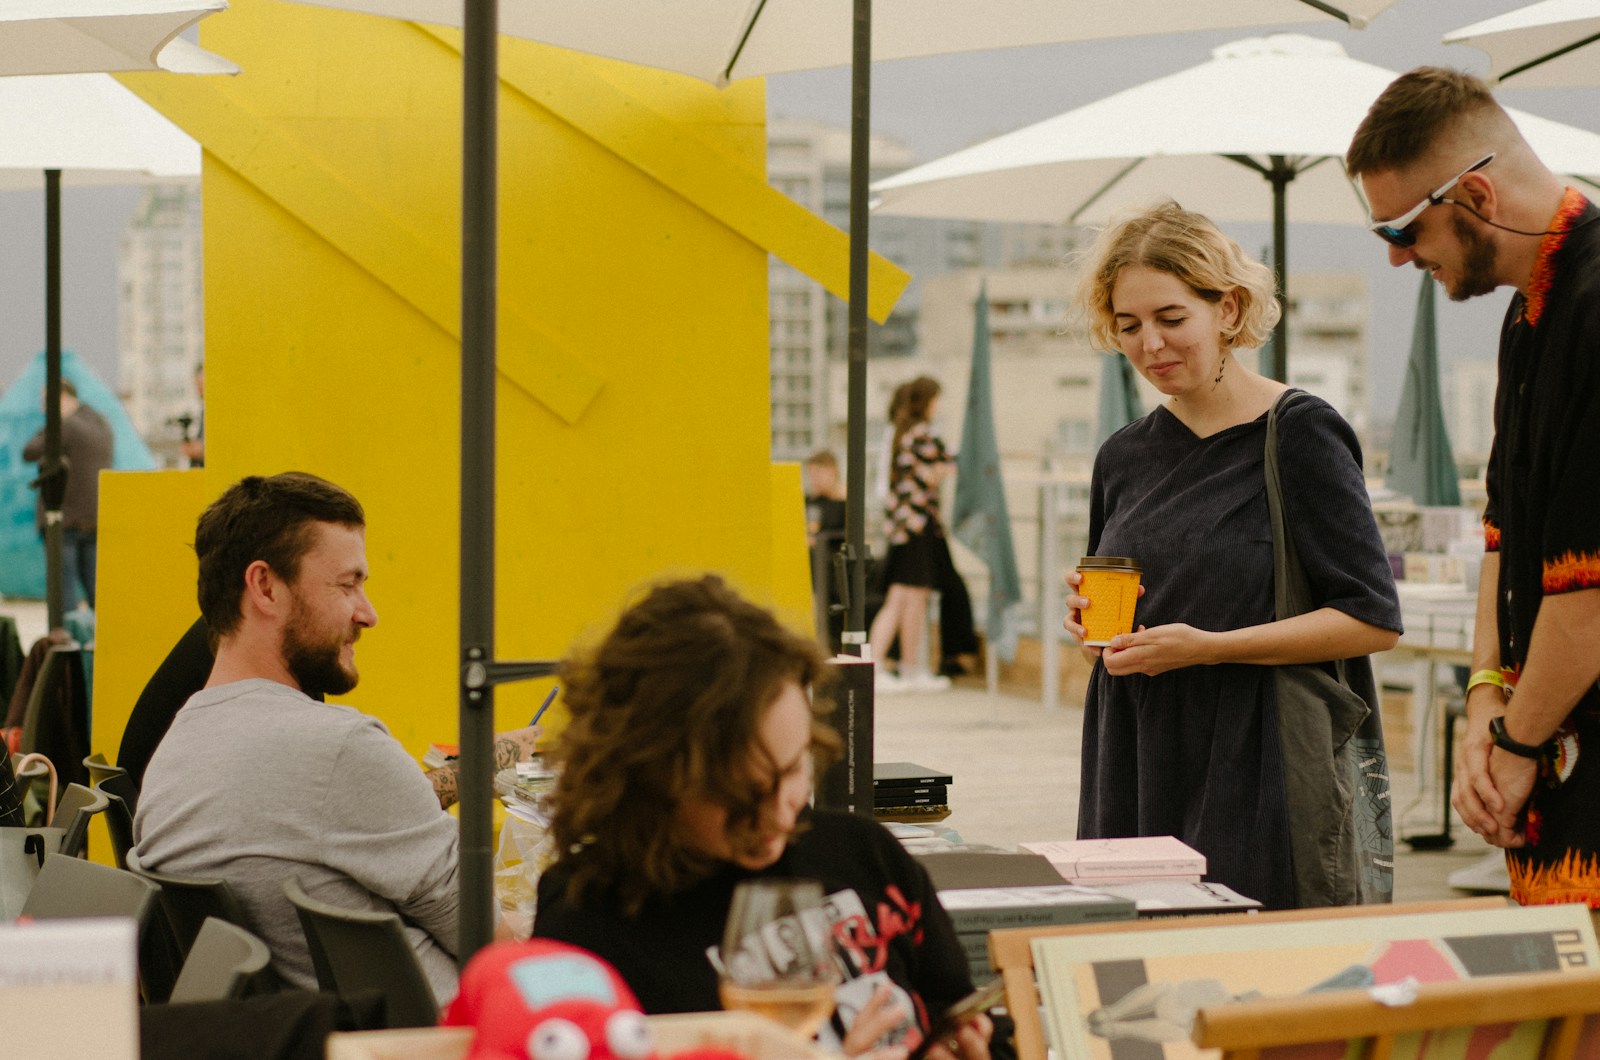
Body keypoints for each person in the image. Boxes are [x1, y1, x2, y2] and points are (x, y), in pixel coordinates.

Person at [1066, 202, 1402, 910]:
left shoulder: (1300, 435)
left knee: (1263, 976)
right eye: (1128, 326)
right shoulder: (1122, 455)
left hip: (1261, 759)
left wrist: (1209, 648)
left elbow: (1371, 619)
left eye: (1170, 317)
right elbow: (1130, 594)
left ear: (1230, 309)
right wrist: (1092, 626)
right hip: (1137, 751)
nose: (1150, 343)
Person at [533, 576, 993, 1060]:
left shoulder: (861, 853)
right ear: (651, 776)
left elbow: (958, 1013)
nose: (779, 812)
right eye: (742, 793)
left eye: (795, 766)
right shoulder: (586, 926)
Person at [133, 472, 536, 1001]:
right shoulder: (340, 749)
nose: (367, 613)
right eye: (348, 585)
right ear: (266, 587)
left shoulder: (176, 751)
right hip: (450, 1038)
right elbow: (496, 947)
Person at [1347, 68, 1600, 909]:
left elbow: (1588, 587)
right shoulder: (1528, 314)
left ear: (1478, 192)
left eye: (1402, 225)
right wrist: (1485, 696)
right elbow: (1506, 530)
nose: (1393, 254)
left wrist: (1514, 745)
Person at [869, 377, 955, 693]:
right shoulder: (922, 433)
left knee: (908, 598)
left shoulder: (902, 432)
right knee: (904, 598)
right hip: (917, 526)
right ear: (927, 401)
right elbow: (946, 464)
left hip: (904, 527)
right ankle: (884, 665)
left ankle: (907, 668)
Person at [22, 379, 113, 612]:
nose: (43, 408)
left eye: (45, 401)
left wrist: (53, 423)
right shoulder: (101, 424)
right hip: (94, 518)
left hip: (63, 517)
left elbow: (30, 450)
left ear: (60, 397)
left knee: (63, 590)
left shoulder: (66, 426)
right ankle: (97, 641)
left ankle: (67, 640)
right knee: (96, 589)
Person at [805, 450, 848, 653]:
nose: (814, 479)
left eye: (818, 473)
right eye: (811, 474)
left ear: (833, 471)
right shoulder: (810, 503)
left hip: (835, 572)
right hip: (813, 569)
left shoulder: (845, 503)